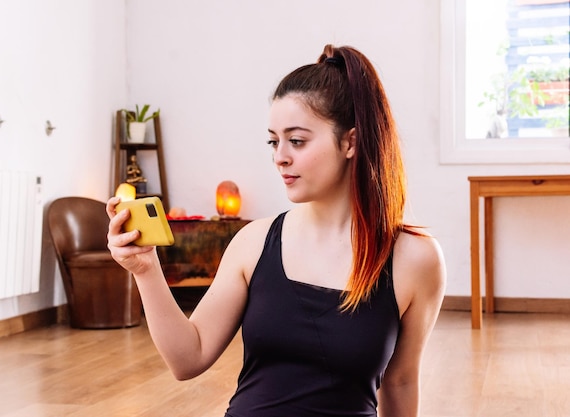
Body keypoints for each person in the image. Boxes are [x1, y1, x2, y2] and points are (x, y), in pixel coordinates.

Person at [106, 44, 446, 417]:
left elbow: (400, 382)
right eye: (274, 140)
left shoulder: (414, 258)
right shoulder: (253, 242)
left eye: (296, 140)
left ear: (350, 141)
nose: (279, 156)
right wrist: (146, 269)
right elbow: (189, 358)